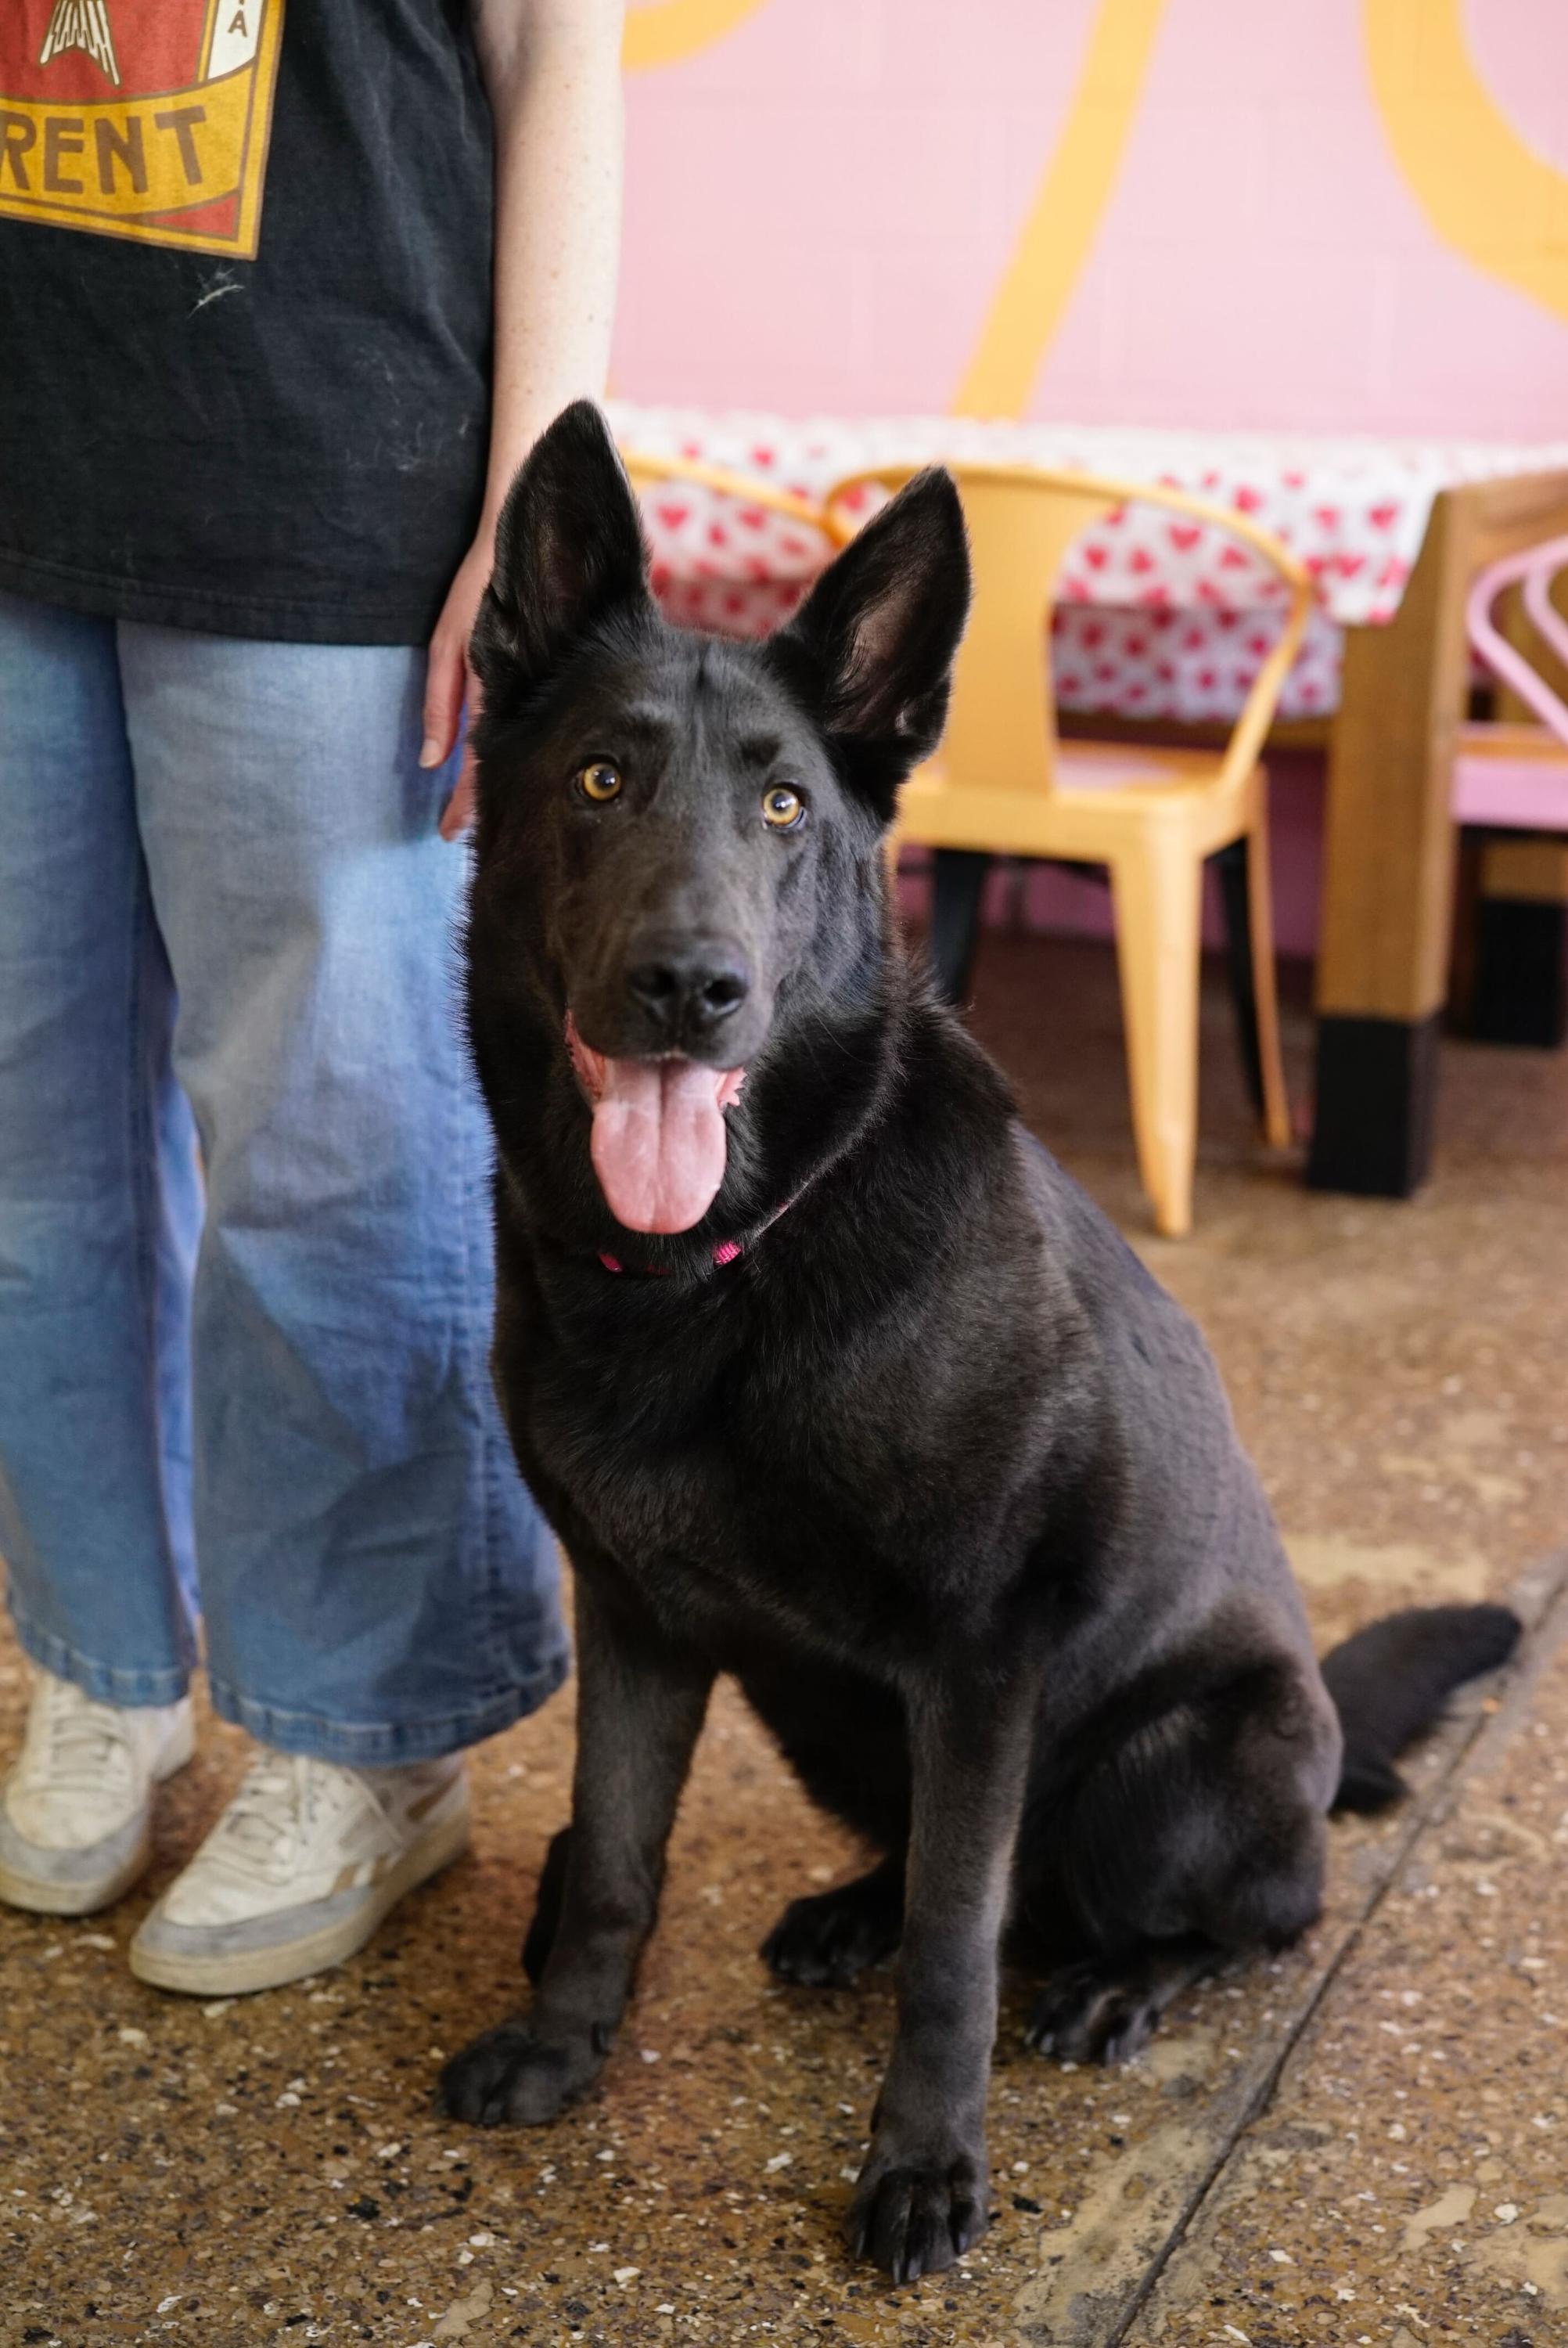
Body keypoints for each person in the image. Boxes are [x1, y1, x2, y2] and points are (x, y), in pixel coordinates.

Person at [0, 0, 624, 1995]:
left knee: (335, 1145)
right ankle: (101, 1659)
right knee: (24, 1137)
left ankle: (368, 1733)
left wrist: (536, 499)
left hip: (338, 468)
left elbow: (554, 48)